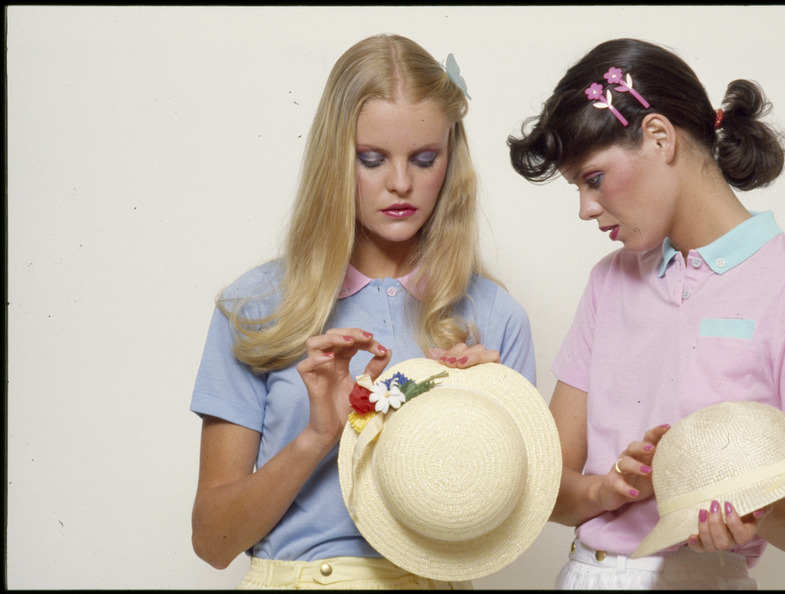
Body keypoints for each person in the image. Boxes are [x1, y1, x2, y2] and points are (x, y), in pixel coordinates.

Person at [508, 38, 785, 589]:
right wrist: (611, 488)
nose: (584, 208)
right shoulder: (608, 281)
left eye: (593, 178)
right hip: (585, 575)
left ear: (658, 136)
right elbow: (546, 490)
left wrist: (757, 511)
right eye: (576, 187)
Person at [190, 34, 536, 589]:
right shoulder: (258, 307)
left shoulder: (495, 317)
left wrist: (477, 419)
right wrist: (317, 437)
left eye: (425, 159)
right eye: (371, 159)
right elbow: (212, 543)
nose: (401, 183)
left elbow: (505, 536)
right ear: (334, 159)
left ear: (452, 159)